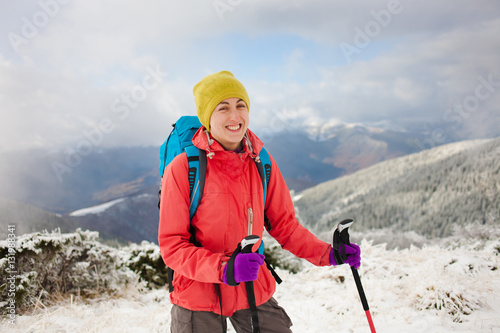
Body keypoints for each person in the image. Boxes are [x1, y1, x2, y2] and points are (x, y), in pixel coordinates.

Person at [158, 71, 361, 333]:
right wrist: (224, 269)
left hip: (251, 284)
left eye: (240, 105)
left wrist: (328, 254)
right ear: (207, 117)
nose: (235, 116)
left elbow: (285, 225)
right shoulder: (184, 168)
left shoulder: (261, 162)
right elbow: (172, 246)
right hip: (197, 292)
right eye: (223, 108)